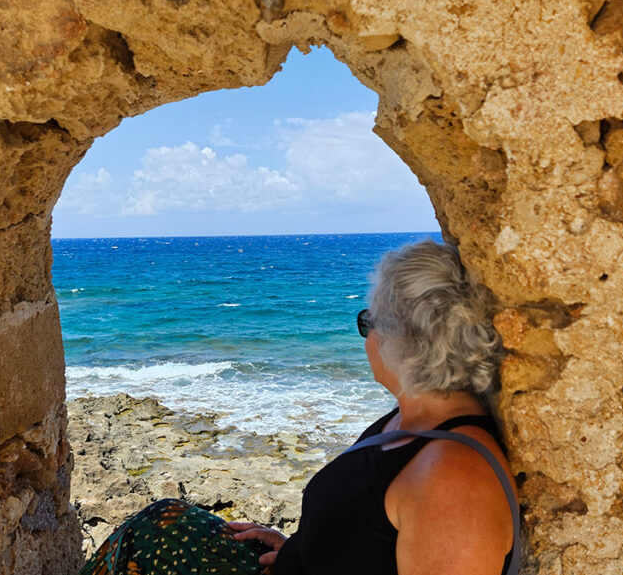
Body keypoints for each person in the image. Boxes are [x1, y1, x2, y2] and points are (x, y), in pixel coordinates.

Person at [80, 240, 518, 575]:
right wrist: (302, 548)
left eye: (367, 321)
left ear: (400, 339)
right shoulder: (412, 422)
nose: (365, 338)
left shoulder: (453, 482)